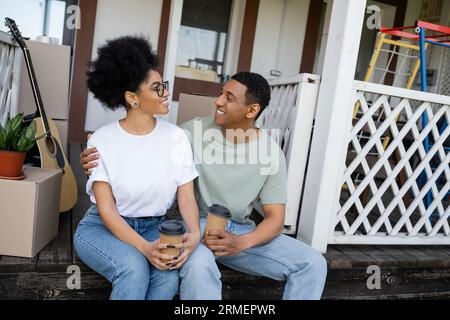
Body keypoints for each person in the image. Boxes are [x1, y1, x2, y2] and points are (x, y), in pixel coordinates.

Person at [80, 71, 328, 300]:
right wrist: (96, 150)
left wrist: (244, 242)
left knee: (314, 264)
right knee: (196, 266)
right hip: (197, 226)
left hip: (241, 233)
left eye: (228, 97)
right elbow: (143, 139)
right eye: (221, 93)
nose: (218, 101)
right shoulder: (190, 133)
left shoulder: (271, 154)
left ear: (252, 110)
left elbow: (275, 219)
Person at [73, 36, 201, 300]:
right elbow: (107, 210)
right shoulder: (101, 140)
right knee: (133, 268)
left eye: (164, 85)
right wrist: (144, 248)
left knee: (167, 275)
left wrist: (195, 234)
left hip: (156, 226)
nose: (166, 92)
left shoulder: (176, 137)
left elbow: (186, 197)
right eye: (157, 88)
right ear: (132, 98)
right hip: (103, 228)